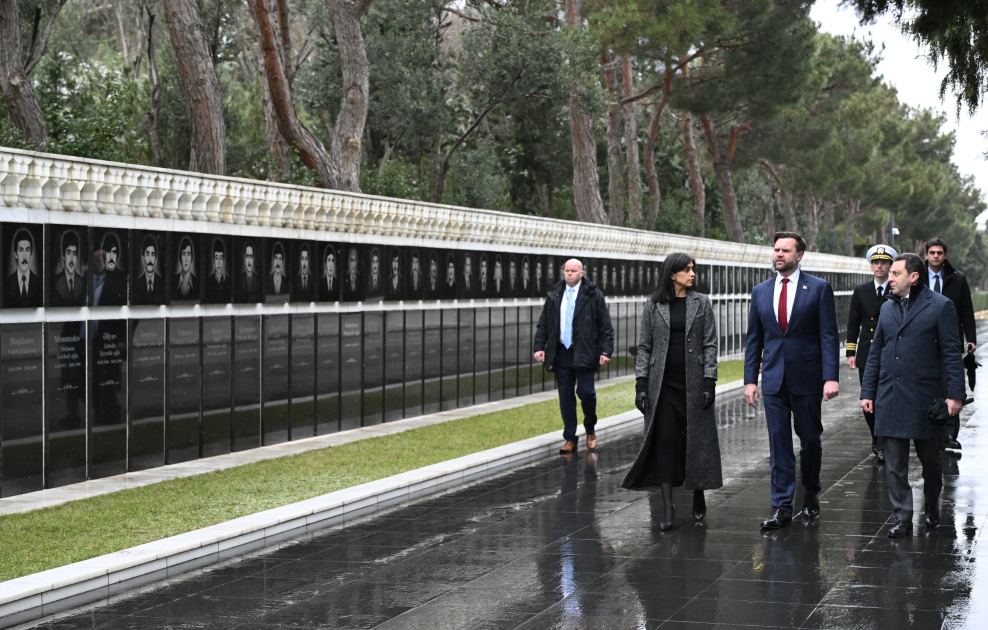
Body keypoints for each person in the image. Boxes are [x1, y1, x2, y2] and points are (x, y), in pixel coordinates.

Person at [861, 253, 965, 537]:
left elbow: (952, 355)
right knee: (894, 464)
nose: (889, 278)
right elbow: (875, 354)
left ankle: (930, 506)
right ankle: (903, 518)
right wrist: (867, 391)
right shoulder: (887, 309)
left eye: (895, 273)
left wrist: (955, 396)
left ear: (913, 276)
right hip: (890, 396)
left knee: (931, 462)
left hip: (925, 399)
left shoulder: (940, 306)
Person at [743, 231, 840, 530]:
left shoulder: (819, 289)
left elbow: (828, 336)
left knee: (810, 440)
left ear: (799, 255)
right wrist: (750, 380)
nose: (779, 254)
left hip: (807, 379)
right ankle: (782, 505)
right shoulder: (760, 291)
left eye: (785, 250)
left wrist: (830, 378)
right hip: (773, 379)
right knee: (779, 443)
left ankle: (810, 491)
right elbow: (754, 339)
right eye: (776, 250)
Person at [621, 253, 722, 531]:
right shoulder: (653, 305)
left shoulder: (701, 303)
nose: (692, 274)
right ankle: (668, 507)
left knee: (695, 442)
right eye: (687, 270)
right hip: (662, 386)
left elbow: (710, 344)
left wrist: (709, 380)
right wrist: (641, 384)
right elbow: (644, 346)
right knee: (665, 443)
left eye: (693, 269)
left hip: (693, 383)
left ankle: (698, 492)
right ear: (672, 274)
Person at [533, 259, 614, 454]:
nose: (569, 274)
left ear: (581, 273)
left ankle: (590, 429)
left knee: (586, 393)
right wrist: (539, 347)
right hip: (561, 353)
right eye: (566, 271)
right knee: (566, 397)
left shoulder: (592, 294)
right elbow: (544, 323)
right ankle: (570, 438)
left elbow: (606, 326)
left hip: (585, 352)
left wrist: (605, 351)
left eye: (573, 271)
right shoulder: (555, 294)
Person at [921, 237, 977, 451]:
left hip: (950, 339)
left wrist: (971, 339)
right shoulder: (917, 276)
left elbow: (967, 311)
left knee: (952, 386)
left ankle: (949, 435)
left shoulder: (958, 278)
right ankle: (927, 428)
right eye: (932, 252)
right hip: (924, 339)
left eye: (939, 253)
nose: (936, 256)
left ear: (945, 255)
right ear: (926, 254)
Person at [845, 244, 896, 463]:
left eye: (884, 262)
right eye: (876, 262)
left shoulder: (898, 290)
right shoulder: (861, 291)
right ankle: (876, 437)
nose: (880, 266)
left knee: (887, 399)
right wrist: (851, 351)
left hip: (891, 352)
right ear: (871, 265)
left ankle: (885, 441)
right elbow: (853, 322)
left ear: (890, 265)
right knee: (868, 399)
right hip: (867, 353)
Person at [4, 228, 42, 308]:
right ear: (15, 255)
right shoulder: (5, 284)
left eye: (27, 250)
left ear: (31, 253)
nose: (24, 257)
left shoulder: (40, 283)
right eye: (21, 250)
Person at [52, 230, 86, 307]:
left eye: (74, 254)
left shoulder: (83, 283)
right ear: (63, 255)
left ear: (77, 256)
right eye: (68, 253)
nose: (71, 259)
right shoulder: (55, 282)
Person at [92, 232, 126, 306]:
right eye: (108, 252)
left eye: (114, 252)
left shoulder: (121, 277)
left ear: (117, 255)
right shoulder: (99, 274)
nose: (111, 256)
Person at [132, 234, 164, 305]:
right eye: (147, 254)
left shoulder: (162, 283)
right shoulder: (137, 284)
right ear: (143, 258)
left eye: (152, 255)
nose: (150, 259)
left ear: (155, 259)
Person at [172, 236, 198, 301]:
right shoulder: (173, 281)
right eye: (184, 254)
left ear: (192, 258)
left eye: (188, 254)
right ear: (180, 258)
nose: (186, 259)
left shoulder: (197, 283)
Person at [205, 238, 231, 302]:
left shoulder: (229, 282)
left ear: (223, 260)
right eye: (216, 258)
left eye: (221, 258)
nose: (219, 262)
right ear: (213, 260)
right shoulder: (208, 282)